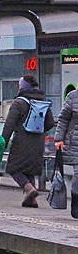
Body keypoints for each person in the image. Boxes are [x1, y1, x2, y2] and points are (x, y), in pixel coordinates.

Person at [1, 75, 55, 207]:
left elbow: (9, 124)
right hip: (38, 141)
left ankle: (29, 188)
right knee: (30, 169)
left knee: (14, 168)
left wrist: (3, 142)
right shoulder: (42, 101)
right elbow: (51, 123)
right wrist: (39, 131)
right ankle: (31, 200)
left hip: (21, 141)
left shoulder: (18, 102)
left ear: (23, 86)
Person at [54, 86, 78, 219]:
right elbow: (63, 119)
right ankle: (76, 204)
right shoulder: (73, 96)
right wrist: (59, 138)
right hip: (74, 142)